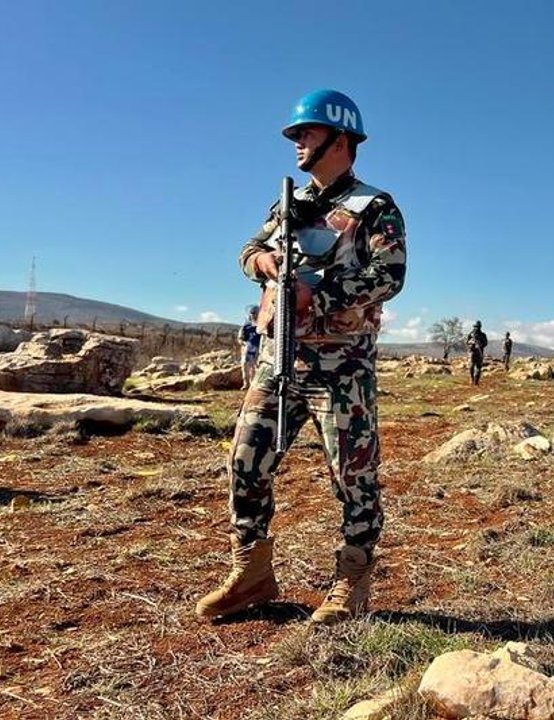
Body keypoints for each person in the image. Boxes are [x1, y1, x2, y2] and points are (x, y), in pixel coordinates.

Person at [197, 89, 406, 625]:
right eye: (295, 135)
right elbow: (247, 249)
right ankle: (252, 573)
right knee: (246, 462)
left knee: (354, 477)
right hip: (278, 358)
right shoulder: (288, 206)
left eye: (307, 134)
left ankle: (352, 581)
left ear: (341, 139)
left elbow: (390, 275)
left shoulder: (375, 207)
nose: (297, 143)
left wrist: (320, 294)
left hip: (342, 365)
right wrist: (262, 261)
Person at [238, 305, 261, 390]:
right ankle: (246, 383)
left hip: (258, 349)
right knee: (245, 367)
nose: (253, 315)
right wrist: (245, 344)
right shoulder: (246, 326)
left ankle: (253, 384)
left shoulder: (261, 326)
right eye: (252, 313)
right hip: (247, 350)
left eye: (255, 313)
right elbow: (240, 338)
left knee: (255, 368)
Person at [465, 321, 487, 385]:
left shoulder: (483, 335)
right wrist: (471, 344)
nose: (476, 328)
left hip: (479, 352)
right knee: (471, 366)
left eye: (478, 327)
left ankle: (476, 381)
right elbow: (467, 342)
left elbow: (485, 343)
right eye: (475, 327)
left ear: (480, 327)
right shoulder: (470, 334)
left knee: (479, 367)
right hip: (472, 352)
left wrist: (480, 344)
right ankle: (471, 378)